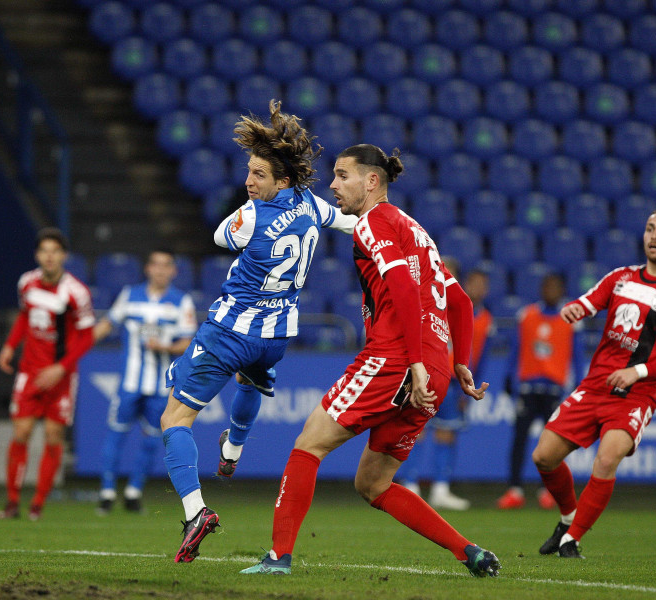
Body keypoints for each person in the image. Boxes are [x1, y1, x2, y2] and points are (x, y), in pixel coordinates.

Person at [241, 144, 500, 577]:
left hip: (398, 358)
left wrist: (414, 360)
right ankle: (470, 552)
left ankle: (278, 558)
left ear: (371, 181)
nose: (334, 184)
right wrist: (458, 363)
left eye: (343, 176)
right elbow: (460, 302)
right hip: (433, 369)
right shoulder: (417, 231)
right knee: (373, 483)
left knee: (309, 444)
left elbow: (400, 282)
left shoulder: (373, 223)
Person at [160, 100, 357, 563]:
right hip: (276, 337)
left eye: (258, 175)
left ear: (281, 180)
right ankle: (233, 447)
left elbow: (219, 238)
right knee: (252, 379)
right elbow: (349, 222)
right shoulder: (312, 202)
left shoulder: (251, 214)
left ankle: (195, 512)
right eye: (248, 173)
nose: (249, 183)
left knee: (173, 420)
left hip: (230, 331)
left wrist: (251, 213)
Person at [533, 207, 656, 558]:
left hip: (635, 393)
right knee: (543, 457)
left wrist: (637, 371)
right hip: (595, 385)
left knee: (607, 460)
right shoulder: (621, 277)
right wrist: (575, 309)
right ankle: (568, 518)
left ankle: (572, 540)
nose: (654, 236)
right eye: (650, 229)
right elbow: (589, 301)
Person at [0, 227, 95, 521]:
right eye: (44, 251)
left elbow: (86, 336)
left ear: (63, 256)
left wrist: (60, 368)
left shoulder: (76, 292)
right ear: (37, 255)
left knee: (53, 437)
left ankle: (37, 504)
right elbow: (25, 316)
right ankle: (12, 502)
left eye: (55, 251)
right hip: (29, 371)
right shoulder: (27, 283)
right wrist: (9, 346)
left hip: (61, 376)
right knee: (21, 432)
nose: (49, 256)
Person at [92, 249, 196, 514]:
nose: (161, 270)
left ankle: (133, 491)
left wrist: (165, 347)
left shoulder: (182, 301)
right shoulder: (130, 295)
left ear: (174, 271)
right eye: (156, 265)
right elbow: (107, 324)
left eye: (166, 265)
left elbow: (187, 342)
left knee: (152, 440)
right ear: (148, 268)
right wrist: (79, 344)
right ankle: (106, 492)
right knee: (116, 434)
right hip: (129, 383)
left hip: (161, 386)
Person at [397, 264, 495, 510]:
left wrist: (469, 383)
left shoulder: (460, 309)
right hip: (422, 375)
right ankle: (410, 485)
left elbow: (476, 353)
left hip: (451, 379)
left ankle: (440, 489)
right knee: (415, 430)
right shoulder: (421, 302)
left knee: (446, 433)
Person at [497, 273, 583, 510]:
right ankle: (514, 490)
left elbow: (576, 357)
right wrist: (508, 376)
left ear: (562, 290)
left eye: (555, 287)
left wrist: (580, 385)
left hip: (554, 389)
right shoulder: (527, 315)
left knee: (553, 445)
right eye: (547, 286)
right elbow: (516, 349)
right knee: (519, 439)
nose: (550, 291)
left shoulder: (572, 319)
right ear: (542, 289)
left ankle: (549, 491)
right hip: (528, 387)